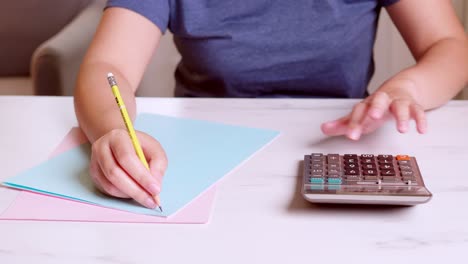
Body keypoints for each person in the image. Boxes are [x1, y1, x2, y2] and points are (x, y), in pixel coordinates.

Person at [74, 0, 468, 208]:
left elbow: (450, 46)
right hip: (201, 165)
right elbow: (108, 66)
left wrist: (411, 89)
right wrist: (112, 129)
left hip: (336, 153)